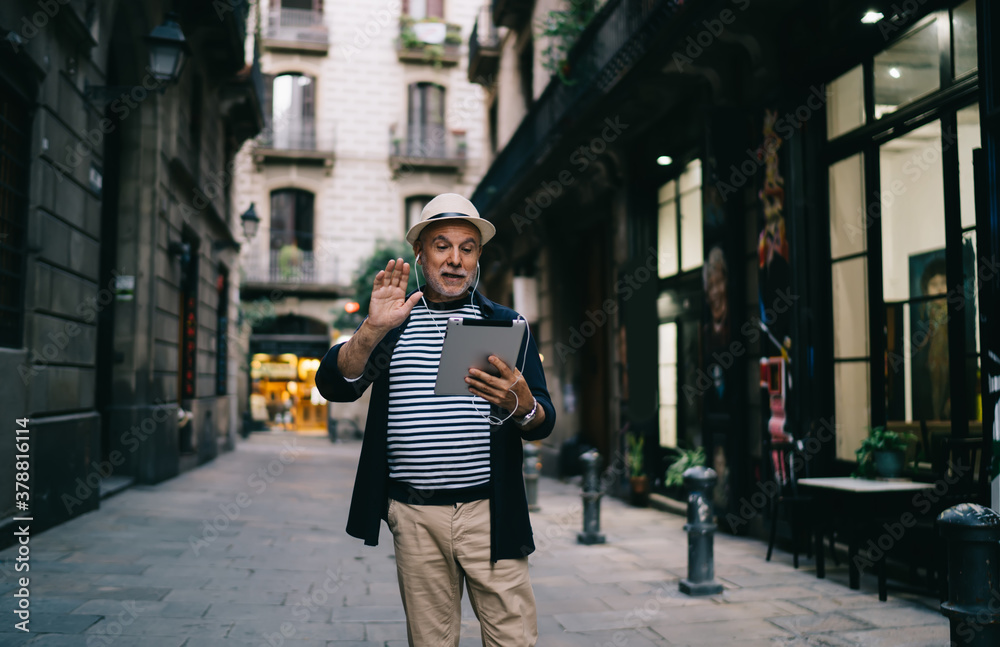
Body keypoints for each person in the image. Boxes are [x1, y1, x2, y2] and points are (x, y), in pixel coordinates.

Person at [315, 193, 555, 646]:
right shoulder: (393, 324)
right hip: (414, 514)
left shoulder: (507, 325)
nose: (455, 260)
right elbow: (335, 385)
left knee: (514, 638)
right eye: (441, 245)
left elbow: (542, 420)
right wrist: (370, 330)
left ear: (478, 257)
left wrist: (521, 403)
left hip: (490, 512)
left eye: (467, 248)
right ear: (420, 253)